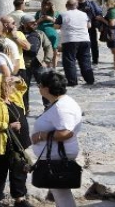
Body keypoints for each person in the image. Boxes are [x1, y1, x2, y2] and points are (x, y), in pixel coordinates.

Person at [0, 73, 33, 207]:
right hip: (2, 144)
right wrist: (7, 126)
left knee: (19, 169)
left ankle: (19, 199)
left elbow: (22, 88)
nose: (11, 86)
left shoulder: (12, 96)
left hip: (18, 143)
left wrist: (17, 79)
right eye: (7, 84)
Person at [30, 71, 82, 207]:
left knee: (61, 194)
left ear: (46, 89)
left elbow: (66, 132)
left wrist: (41, 135)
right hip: (55, 154)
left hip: (58, 156)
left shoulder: (61, 107)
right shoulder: (60, 102)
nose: (38, 88)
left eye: (39, 85)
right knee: (59, 192)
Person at [54, 0, 95, 86]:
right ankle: (89, 79)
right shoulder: (84, 14)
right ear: (77, 5)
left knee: (70, 61)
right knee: (85, 60)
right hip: (84, 39)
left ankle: (72, 81)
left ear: (66, 6)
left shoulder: (63, 15)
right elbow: (89, 25)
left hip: (70, 39)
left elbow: (56, 26)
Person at [1, 15, 31, 112]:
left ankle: (24, 112)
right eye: (13, 23)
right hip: (5, 69)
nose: (15, 25)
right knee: (8, 93)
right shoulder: (0, 36)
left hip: (20, 68)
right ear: (6, 25)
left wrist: (15, 37)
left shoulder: (18, 34)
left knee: (23, 93)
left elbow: (27, 47)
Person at [98, 0, 115, 77]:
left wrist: (102, 19)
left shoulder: (112, 11)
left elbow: (112, 24)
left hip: (113, 33)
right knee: (114, 52)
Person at [75, 0, 103, 65]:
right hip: (80, 28)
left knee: (93, 43)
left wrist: (98, 21)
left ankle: (95, 60)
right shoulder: (75, 5)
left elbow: (98, 11)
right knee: (81, 44)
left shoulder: (91, 3)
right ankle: (83, 59)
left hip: (92, 26)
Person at [35, 0, 60, 68]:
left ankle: (54, 68)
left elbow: (59, 24)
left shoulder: (56, 13)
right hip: (41, 33)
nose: (46, 6)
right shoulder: (38, 13)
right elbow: (34, 24)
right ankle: (46, 67)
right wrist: (40, 20)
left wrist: (50, 18)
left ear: (51, 5)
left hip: (51, 32)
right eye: (44, 4)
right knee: (43, 51)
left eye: (48, 4)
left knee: (54, 50)